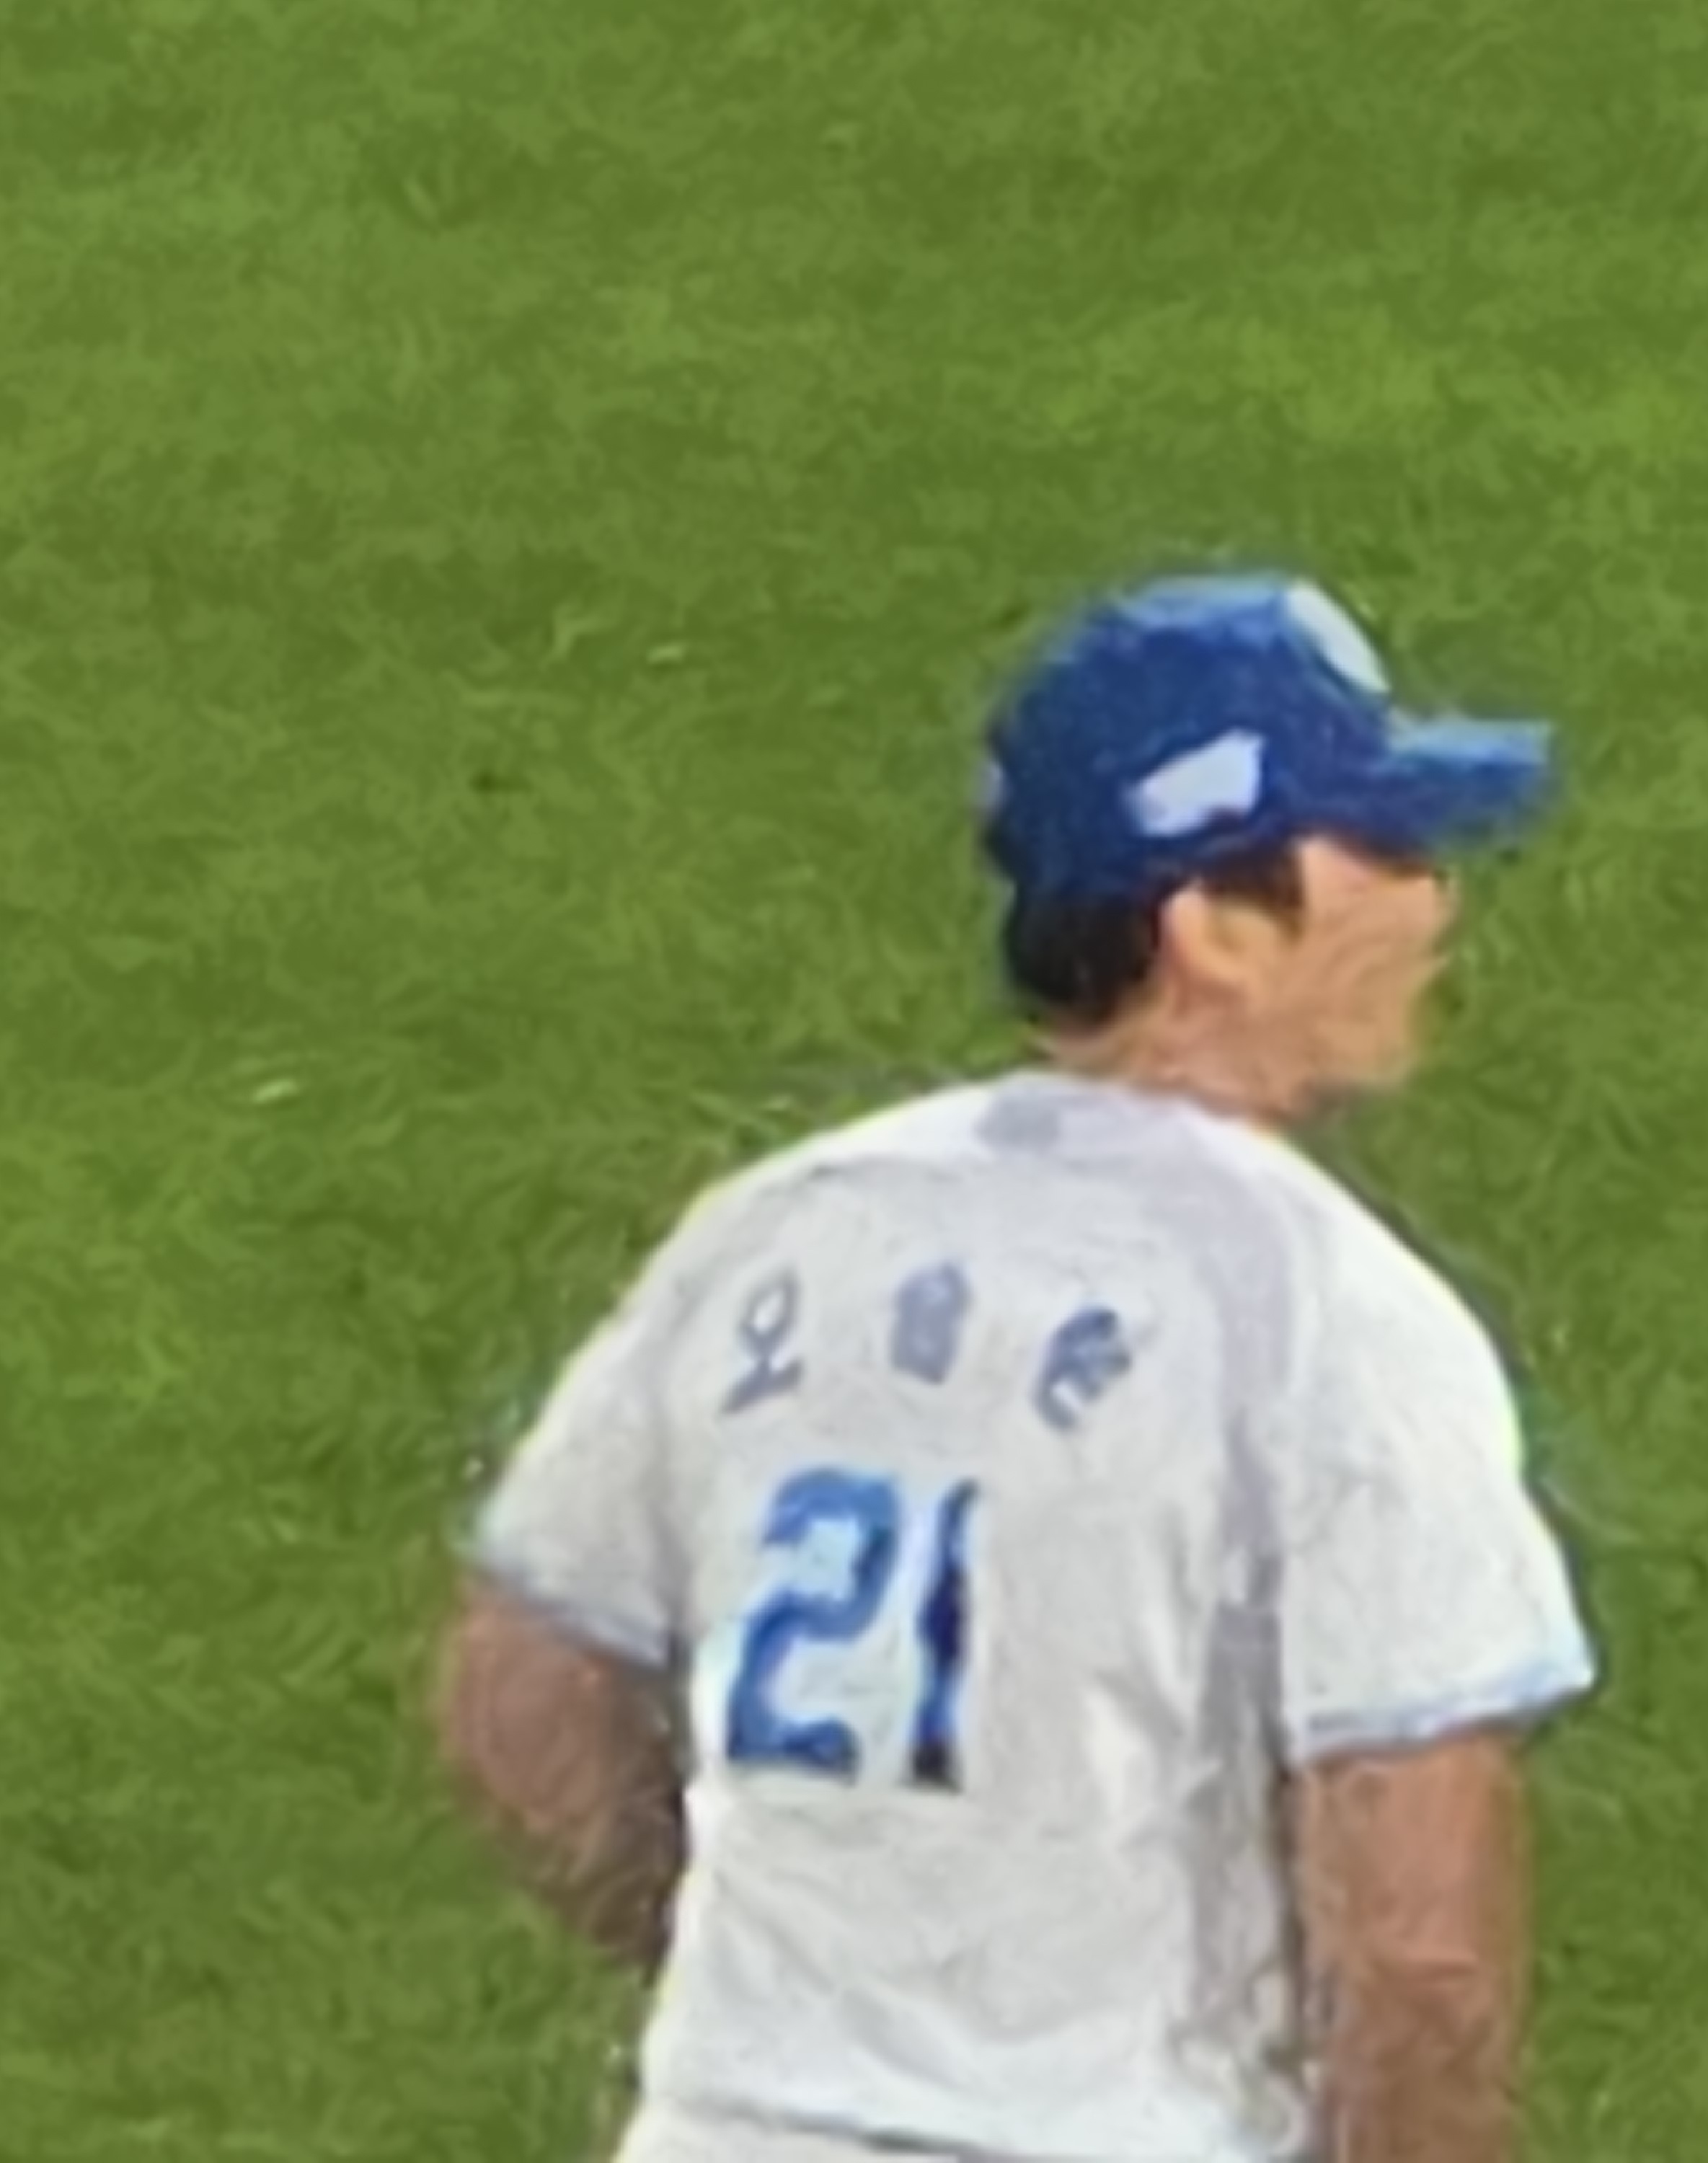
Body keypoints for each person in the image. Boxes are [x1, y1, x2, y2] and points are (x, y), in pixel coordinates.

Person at [435, 571, 1603, 2163]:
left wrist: (813, 1986)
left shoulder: (782, 1230)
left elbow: (519, 1696)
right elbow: (1417, 1953)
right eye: (1381, 854)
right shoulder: (1327, 1314)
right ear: (1215, 928)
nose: (1432, 905)